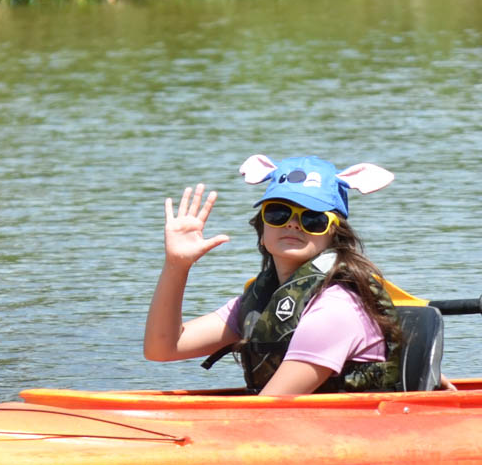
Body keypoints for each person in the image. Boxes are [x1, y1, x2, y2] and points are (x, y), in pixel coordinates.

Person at [143, 155, 407, 396]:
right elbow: (162, 348)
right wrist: (176, 266)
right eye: (278, 213)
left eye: (313, 219)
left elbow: (268, 406)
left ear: (335, 233)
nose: (292, 223)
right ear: (262, 224)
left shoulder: (336, 309)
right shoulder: (265, 299)